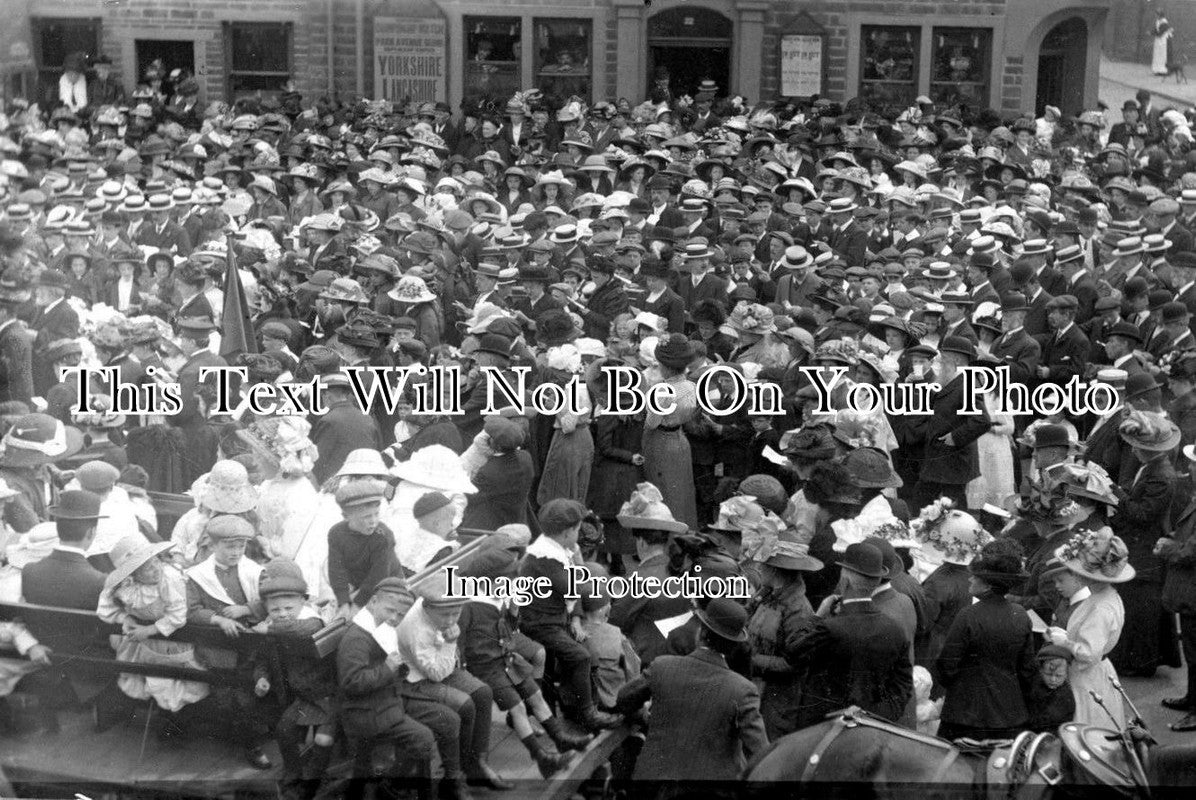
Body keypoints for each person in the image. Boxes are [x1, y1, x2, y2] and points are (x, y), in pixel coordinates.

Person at [616, 597, 768, 791]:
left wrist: (645, 716)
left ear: (701, 632)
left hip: (653, 786)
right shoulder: (743, 690)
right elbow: (761, 752)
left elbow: (624, 699)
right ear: (733, 646)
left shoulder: (662, 666)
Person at [518, 498, 620, 731]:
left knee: (573, 654)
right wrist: (578, 559)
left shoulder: (552, 548)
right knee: (580, 656)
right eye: (576, 530)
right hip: (539, 624)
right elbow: (579, 587)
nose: (578, 535)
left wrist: (575, 619)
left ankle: (572, 708)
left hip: (552, 620)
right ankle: (587, 713)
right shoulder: (546, 559)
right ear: (566, 533)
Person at [791, 543, 913, 728]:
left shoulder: (831, 628)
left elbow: (793, 652)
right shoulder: (894, 629)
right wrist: (877, 716)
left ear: (844, 581)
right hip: (871, 728)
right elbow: (903, 684)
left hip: (822, 729)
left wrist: (817, 617)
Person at [336, 577, 438, 800]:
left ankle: (389, 785)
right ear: (373, 602)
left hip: (381, 704)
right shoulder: (358, 637)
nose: (394, 618)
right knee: (424, 738)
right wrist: (389, 668)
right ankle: (398, 786)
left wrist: (396, 668)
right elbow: (352, 682)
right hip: (364, 712)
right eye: (390, 610)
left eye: (400, 615)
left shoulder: (379, 629)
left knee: (428, 731)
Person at [935, 540, 1037, 740]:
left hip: (965, 714)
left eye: (976, 576)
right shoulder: (1021, 615)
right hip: (1008, 715)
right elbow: (1027, 669)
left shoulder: (968, 615)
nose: (970, 579)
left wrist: (955, 688)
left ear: (988, 584)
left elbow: (947, 665)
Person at [1045, 527, 1134, 728]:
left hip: (1088, 678)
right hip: (1094, 673)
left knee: (1086, 728)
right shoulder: (1103, 595)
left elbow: (1089, 653)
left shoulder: (1101, 607)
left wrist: (1064, 641)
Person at [1027, 643, 1077, 733]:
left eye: (1059, 676)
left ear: (1066, 675)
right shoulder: (1034, 687)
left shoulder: (1065, 696)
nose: (1053, 679)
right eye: (1048, 674)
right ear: (1040, 670)